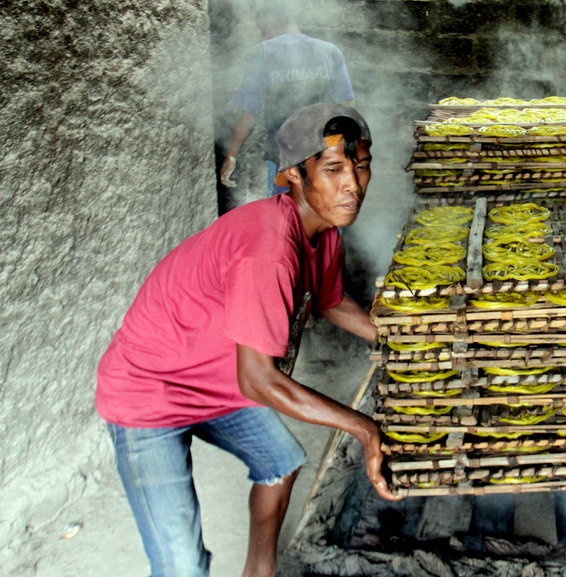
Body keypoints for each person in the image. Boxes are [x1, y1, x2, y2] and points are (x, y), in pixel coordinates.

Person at [97, 102, 397, 577]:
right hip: (150, 393)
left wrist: (402, 338)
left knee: (280, 462)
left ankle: (260, 571)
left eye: (362, 167)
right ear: (294, 177)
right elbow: (259, 381)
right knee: (181, 565)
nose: (353, 185)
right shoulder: (269, 250)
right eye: (335, 169)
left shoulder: (323, 230)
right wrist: (364, 428)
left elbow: (329, 301)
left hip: (218, 384)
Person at [220, 3, 355, 196]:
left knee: (284, 220)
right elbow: (346, 104)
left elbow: (249, 111)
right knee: (327, 216)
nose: (260, 30)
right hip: (326, 157)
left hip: (283, 160)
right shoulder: (329, 51)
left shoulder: (262, 53)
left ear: (272, 18)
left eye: (260, 23)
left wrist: (232, 154)